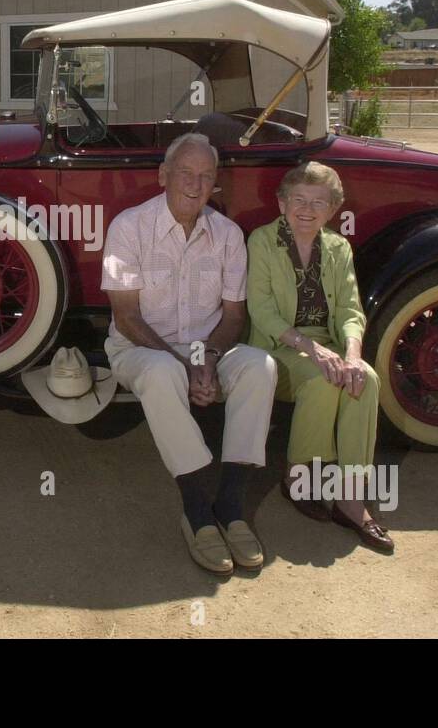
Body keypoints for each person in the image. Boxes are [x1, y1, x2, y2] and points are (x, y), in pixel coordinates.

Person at [101, 133, 278, 574]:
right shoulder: (128, 227)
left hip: (208, 350)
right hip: (140, 349)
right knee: (163, 374)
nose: (196, 185)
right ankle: (197, 511)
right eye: (185, 173)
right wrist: (187, 367)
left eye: (206, 176)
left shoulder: (228, 234)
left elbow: (234, 315)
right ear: (163, 175)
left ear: (215, 183)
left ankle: (231, 506)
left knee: (261, 366)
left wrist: (209, 359)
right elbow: (126, 317)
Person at [245, 161, 394, 553]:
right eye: (298, 200)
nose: (307, 209)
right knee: (321, 380)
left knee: (366, 380)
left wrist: (354, 354)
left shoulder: (338, 247)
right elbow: (261, 310)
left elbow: (349, 309)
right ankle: (297, 479)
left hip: (326, 343)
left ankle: (350, 497)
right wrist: (312, 349)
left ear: (332, 210)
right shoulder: (262, 241)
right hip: (279, 345)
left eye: (318, 202)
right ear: (282, 204)